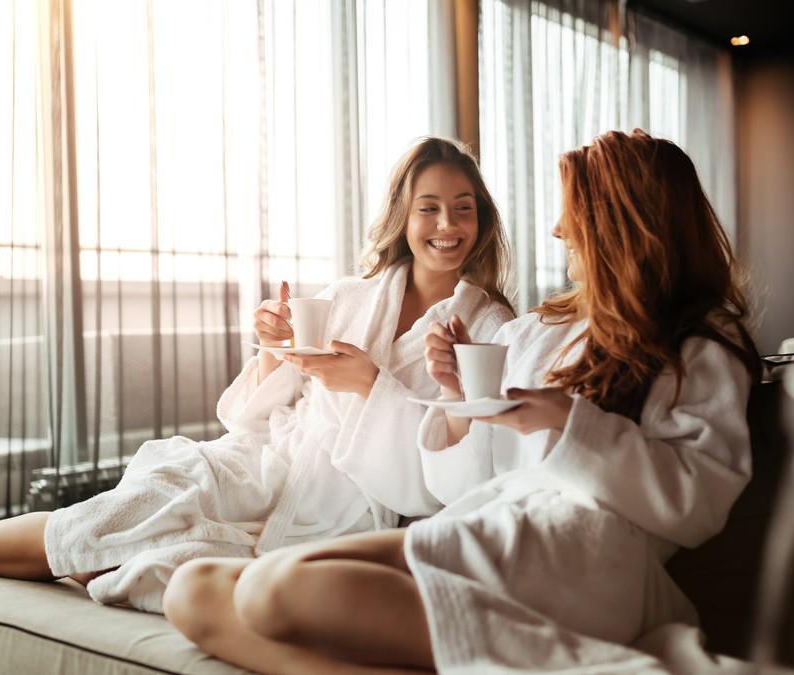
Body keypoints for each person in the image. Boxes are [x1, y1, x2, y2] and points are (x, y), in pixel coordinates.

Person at [0, 137, 516, 614]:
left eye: (463, 208)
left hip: (348, 510)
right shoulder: (351, 295)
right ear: (403, 215)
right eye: (429, 207)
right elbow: (252, 412)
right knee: (143, 500)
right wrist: (272, 348)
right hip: (266, 463)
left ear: (480, 219)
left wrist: (369, 385)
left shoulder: (490, 326)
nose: (447, 225)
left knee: (147, 560)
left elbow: (453, 477)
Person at [161, 129, 761, 674]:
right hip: (488, 525)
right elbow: (461, 484)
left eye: (573, 213)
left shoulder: (696, 340)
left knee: (275, 590)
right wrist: (455, 394)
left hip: (583, 552)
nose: (559, 230)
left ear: (626, 222)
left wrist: (570, 423)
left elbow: (697, 501)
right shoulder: (535, 330)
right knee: (194, 591)